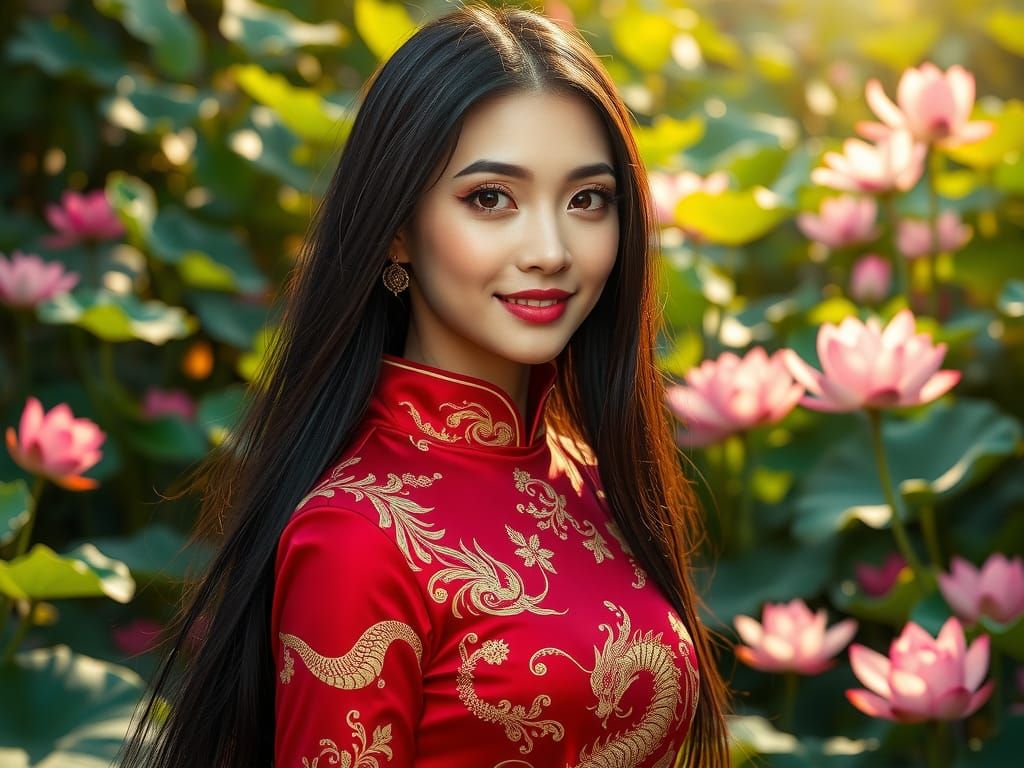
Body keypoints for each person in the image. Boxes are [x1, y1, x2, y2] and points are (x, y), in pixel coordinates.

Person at [118, 4, 729, 767]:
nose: (549, 249)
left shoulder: (591, 477)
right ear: (398, 227)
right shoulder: (356, 534)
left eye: (586, 200)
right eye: (490, 199)